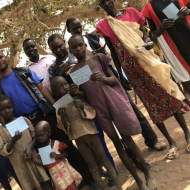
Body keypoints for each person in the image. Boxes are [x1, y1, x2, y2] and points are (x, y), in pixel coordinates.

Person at [0, 49, 99, 190]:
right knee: (47, 160)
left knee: (66, 147)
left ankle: (89, 180)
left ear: (5, 56)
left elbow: (41, 88)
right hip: (26, 127)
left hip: (45, 115)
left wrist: (55, 106)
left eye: (0, 57)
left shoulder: (24, 71)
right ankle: (65, 185)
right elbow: (2, 117)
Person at [97, 0, 190, 160]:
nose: (105, 4)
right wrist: (121, 76)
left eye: (107, 0)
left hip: (148, 61)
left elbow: (145, 33)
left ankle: (187, 134)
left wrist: (147, 41)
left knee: (168, 96)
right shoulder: (104, 25)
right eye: (101, 2)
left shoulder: (132, 12)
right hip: (132, 71)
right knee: (151, 105)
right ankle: (171, 141)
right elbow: (113, 52)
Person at [68, 35, 158, 190]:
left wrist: (102, 78)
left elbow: (114, 80)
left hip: (114, 103)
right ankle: (138, 181)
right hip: (100, 111)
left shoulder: (100, 58)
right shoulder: (74, 72)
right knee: (118, 145)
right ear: (71, 51)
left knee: (128, 141)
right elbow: (86, 94)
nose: (78, 49)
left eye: (80, 45)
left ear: (85, 45)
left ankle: (147, 175)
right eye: (74, 47)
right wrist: (76, 91)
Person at [65, 16, 166, 151]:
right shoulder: (70, 56)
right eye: (74, 28)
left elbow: (107, 54)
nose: (78, 30)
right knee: (113, 125)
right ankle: (131, 153)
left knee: (132, 109)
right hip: (97, 95)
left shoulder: (93, 39)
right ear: (69, 30)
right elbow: (77, 77)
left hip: (112, 83)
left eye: (79, 26)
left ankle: (152, 140)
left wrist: (99, 55)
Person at [50, 76, 122, 190]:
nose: (65, 87)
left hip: (92, 135)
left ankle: (119, 187)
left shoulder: (79, 98)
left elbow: (92, 113)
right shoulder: (59, 108)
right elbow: (64, 128)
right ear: (55, 93)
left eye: (65, 84)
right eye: (61, 87)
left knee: (106, 161)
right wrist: (63, 117)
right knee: (93, 168)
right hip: (80, 141)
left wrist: (83, 106)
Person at [0, 95, 52, 190]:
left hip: (34, 159)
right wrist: (12, 141)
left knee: (46, 184)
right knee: (30, 186)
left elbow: (35, 136)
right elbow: (2, 151)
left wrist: (30, 147)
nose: (7, 111)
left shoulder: (23, 120)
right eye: (2, 109)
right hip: (21, 167)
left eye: (9, 107)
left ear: (12, 107)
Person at [142, 0, 190, 94]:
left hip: (188, 36)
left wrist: (188, 11)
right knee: (184, 76)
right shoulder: (149, 7)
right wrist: (161, 27)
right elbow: (153, 34)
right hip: (173, 46)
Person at [33, 121, 82, 190]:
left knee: (71, 187)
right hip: (56, 177)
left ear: (49, 133)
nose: (39, 138)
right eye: (37, 137)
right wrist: (34, 159)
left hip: (66, 173)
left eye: (41, 135)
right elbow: (43, 162)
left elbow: (66, 154)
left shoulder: (56, 144)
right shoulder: (41, 151)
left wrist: (57, 156)